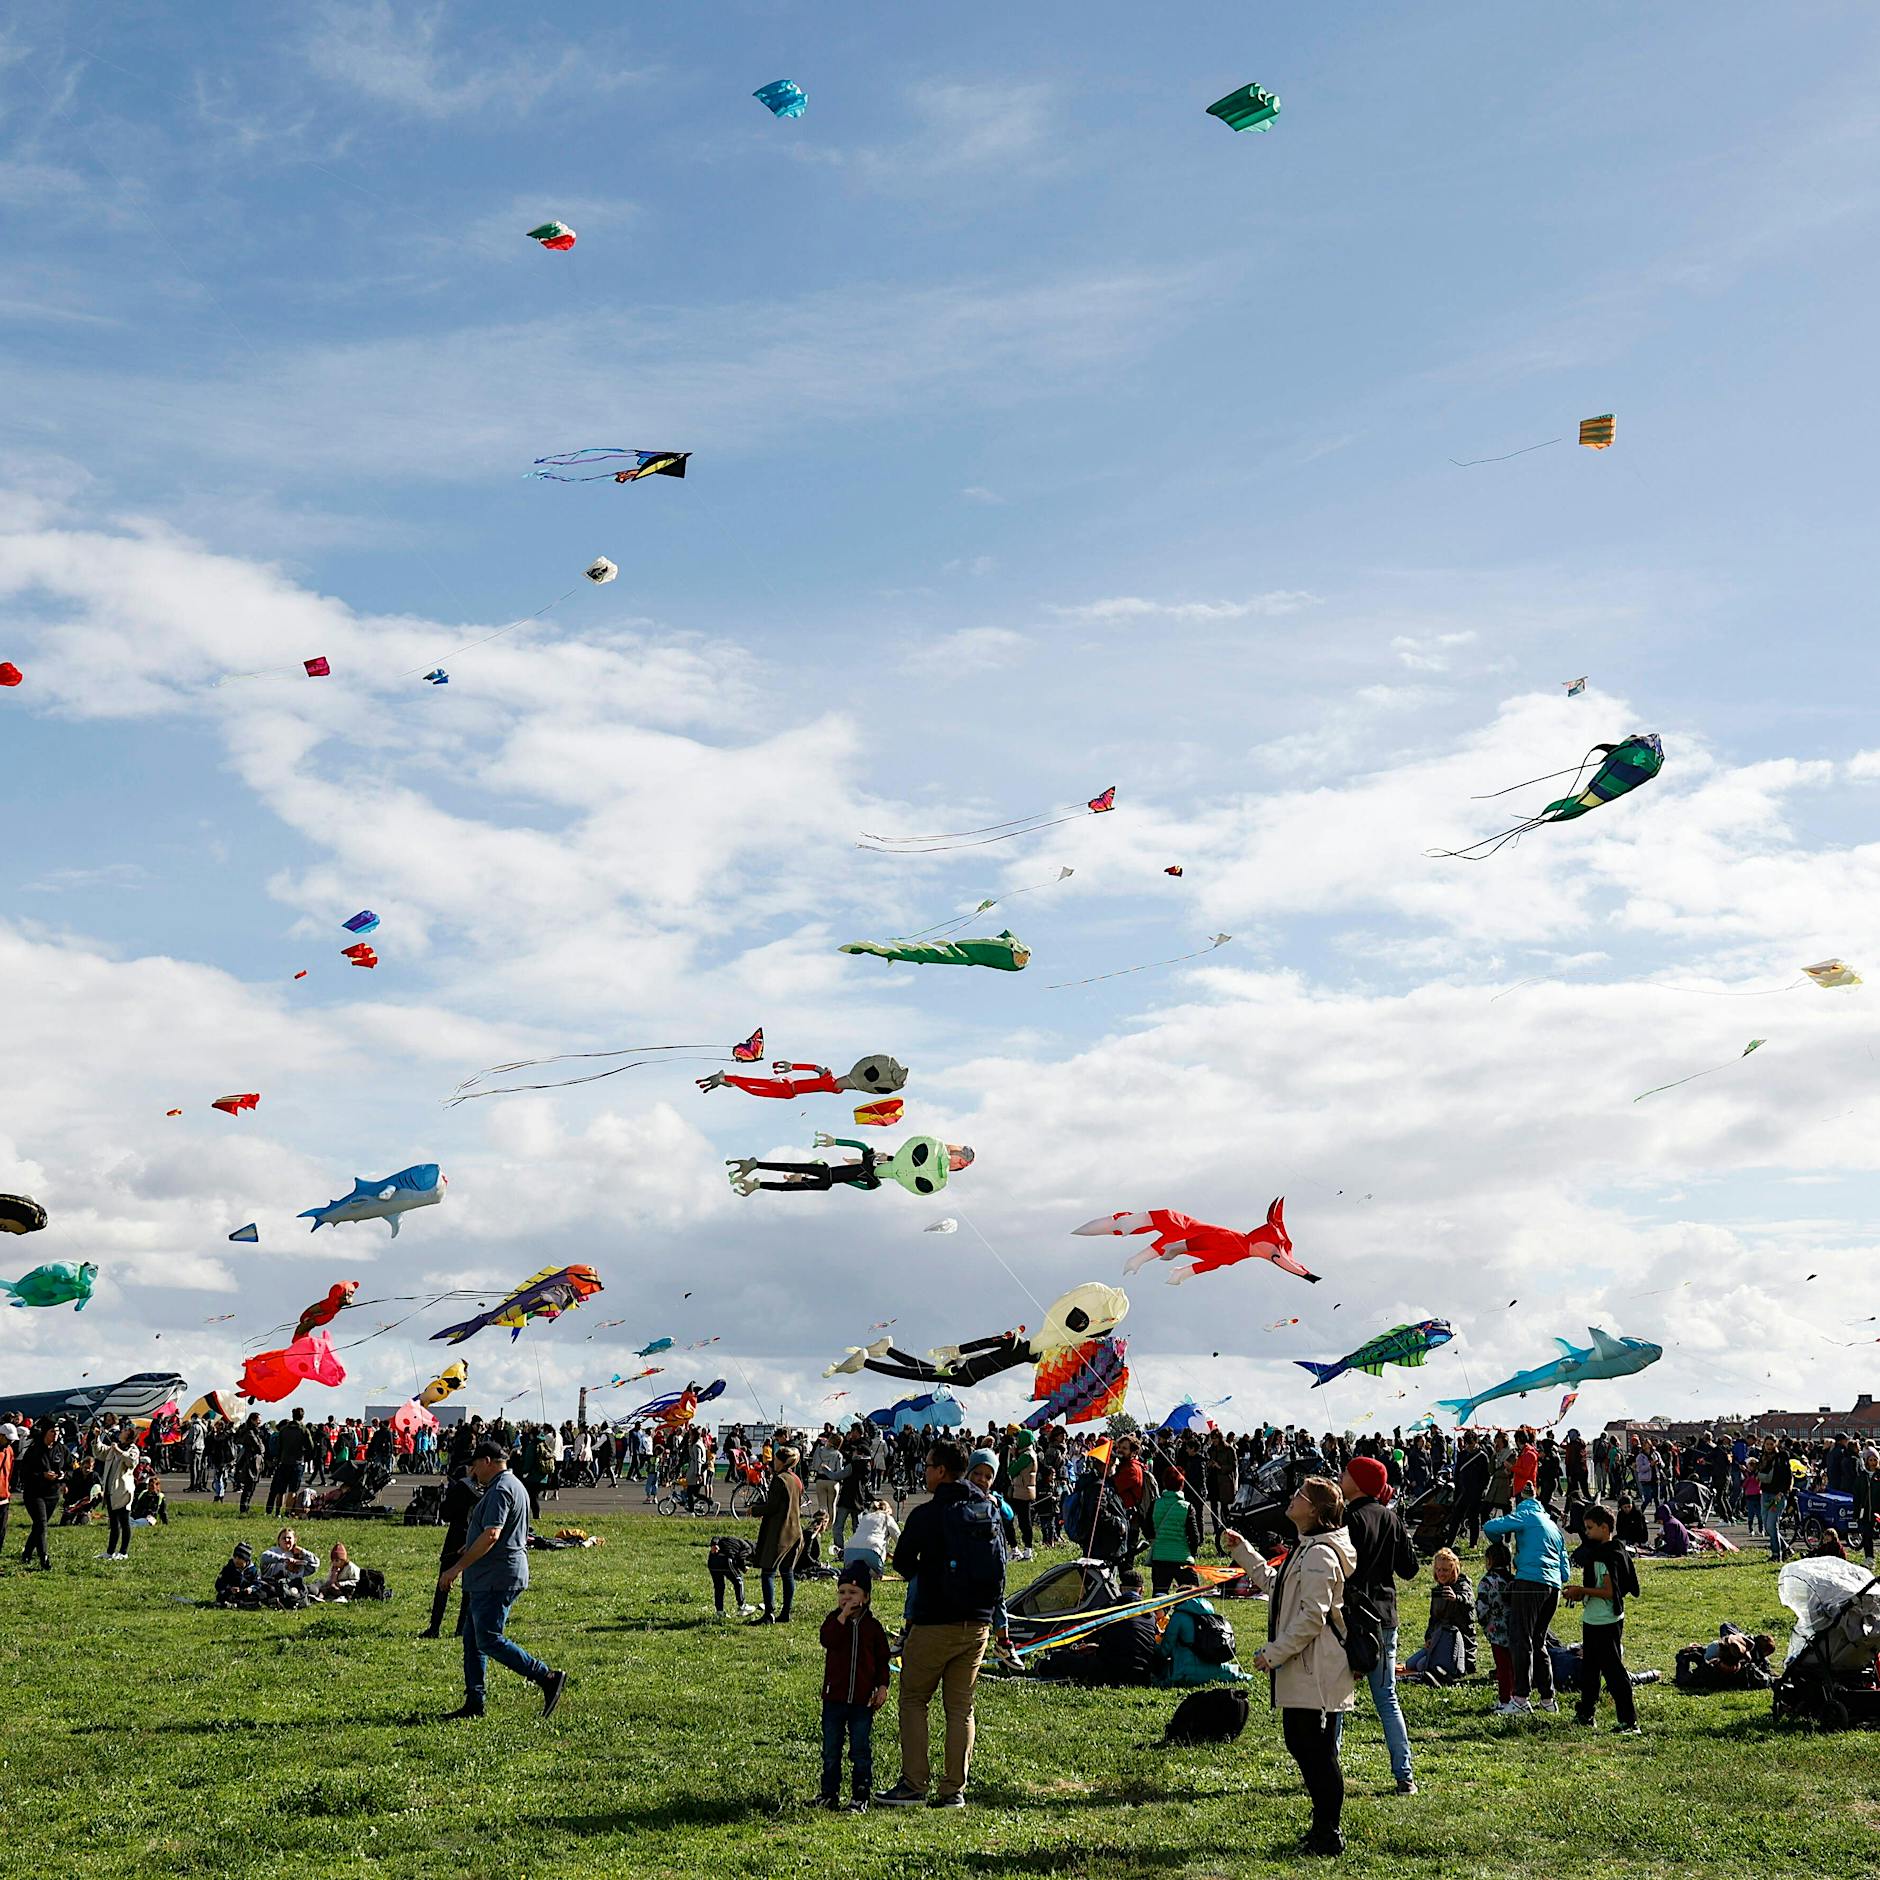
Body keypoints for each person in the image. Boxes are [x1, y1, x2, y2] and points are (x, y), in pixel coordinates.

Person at [876, 1438, 1011, 1810]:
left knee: (915, 1698)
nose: (925, 1470)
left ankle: (914, 1783)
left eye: (928, 1465)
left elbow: (902, 1562)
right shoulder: (988, 1507)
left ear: (940, 1471)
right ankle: (953, 1790)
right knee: (960, 1707)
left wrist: (930, 1575)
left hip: (935, 1620)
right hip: (979, 1623)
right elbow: (1001, 1565)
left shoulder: (927, 1513)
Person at [1230, 1479, 1359, 1860]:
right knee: (1305, 1744)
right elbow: (1279, 1587)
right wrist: (1245, 1553)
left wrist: (1274, 1653)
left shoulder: (1321, 1555)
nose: (1292, 1499)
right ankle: (1322, 1827)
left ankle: (1329, 1832)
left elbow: (1311, 1618)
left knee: (1314, 1749)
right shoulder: (1307, 1549)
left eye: (1300, 1496)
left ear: (1316, 1511)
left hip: (1315, 1666)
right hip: (1305, 1664)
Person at [437, 1439, 567, 1721]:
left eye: (475, 1466)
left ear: (487, 1461)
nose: (472, 1472)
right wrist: (467, 1546)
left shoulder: (500, 1489)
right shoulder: (514, 1485)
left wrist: (456, 1568)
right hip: (491, 1574)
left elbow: (492, 1534)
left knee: (489, 1639)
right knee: (473, 1641)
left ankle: (546, 1676)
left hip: (496, 1576)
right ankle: (474, 1702)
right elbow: (499, 1531)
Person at [1341, 1454, 1420, 1795]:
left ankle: (1328, 1769)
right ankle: (1404, 1775)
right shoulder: (1391, 1519)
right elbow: (1410, 1569)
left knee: (1338, 1696)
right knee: (1386, 1696)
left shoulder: (1348, 1519)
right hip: (1386, 1616)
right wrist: (1397, 1529)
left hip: (1352, 1617)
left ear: (1358, 1482)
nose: (1341, 1477)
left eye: (1346, 1473)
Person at [1483, 1488, 1569, 1718]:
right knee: (1539, 1640)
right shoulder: (1553, 1526)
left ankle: (1520, 1698)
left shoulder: (1525, 1515)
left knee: (1520, 1639)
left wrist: (1499, 1544)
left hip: (1530, 1582)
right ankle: (1547, 1698)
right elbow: (1565, 1568)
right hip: (1553, 1587)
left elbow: (1490, 1527)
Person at [1560, 1503, 1641, 1734]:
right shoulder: (1614, 1549)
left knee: (1614, 1672)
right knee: (1590, 1670)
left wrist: (1581, 1591)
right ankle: (1586, 1713)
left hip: (1605, 1621)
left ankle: (1629, 1721)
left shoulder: (1605, 1555)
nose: (1586, 1532)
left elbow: (1608, 1592)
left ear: (1604, 1528)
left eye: (1589, 1528)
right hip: (1595, 1619)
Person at [818, 1562, 890, 1810]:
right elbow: (828, 1640)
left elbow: (883, 1661)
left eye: (853, 1593)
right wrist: (841, 1617)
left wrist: (882, 1686)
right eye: (842, 1592)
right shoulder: (833, 1621)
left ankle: (860, 1795)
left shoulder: (873, 1628)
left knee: (859, 1749)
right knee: (831, 1749)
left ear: (866, 1597)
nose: (846, 1598)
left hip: (861, 1701)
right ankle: (828, 1793)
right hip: (834, 1697)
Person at [1031, 1569, 1160, 1686]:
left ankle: (1044, 1666)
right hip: (1143, 1673)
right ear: (1142, 1590)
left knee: (1066, 1659)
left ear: (1120, 1589)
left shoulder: (1111, 1609)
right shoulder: (1151, 1615)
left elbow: (1092, 1633)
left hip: (1113, 1670)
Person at [1154, 1562, 1248, 1686]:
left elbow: (1166, 1649)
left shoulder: (1179, 1616)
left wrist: (1152, 1648)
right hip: (1216, 1668)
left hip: (1186, 1671)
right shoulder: (1211, 1613)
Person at [421, 1465, 483, 1640]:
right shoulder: (488, 1489)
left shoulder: (461, 1487)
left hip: (456, 1537)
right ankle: (461, 1629)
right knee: (468, 1587)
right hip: (476, 1538)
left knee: (443, 1583)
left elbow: (446, 1514)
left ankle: (434, 1627)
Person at [1404, 1547, 1475, 1685]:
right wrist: (1429, 1637)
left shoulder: (1462, 1584)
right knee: (1410, 1664)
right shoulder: (1438, 1589)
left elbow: (1469, 1600)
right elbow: (1433, 1618)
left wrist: (1456, 1598)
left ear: (1453, 1570)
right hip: (1439, 1637)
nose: (1441, 1574)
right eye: (1438, 1570)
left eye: (1446, 1570)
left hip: (1457, 1641)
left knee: (1420, 1666)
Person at [750, 1447, 804, 1625]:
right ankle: (786, 1612)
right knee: (787, 1572)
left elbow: (772, 1506)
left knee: (768, 1572)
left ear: (780, 1461)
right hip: (796, 1531)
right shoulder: (796, 1479)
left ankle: (769, 1614)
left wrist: (755, 1510)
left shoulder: (779, 1480)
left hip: (780, 1532)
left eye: (774, 1459)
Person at [1145, 1465, 1203, 1595]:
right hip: (1182, 1557)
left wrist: (1155, 1541)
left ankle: (1160, 1616)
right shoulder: (1187, 1507)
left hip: (1159, 1557)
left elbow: (1147, 1528)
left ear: (1164, 1483)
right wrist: (1191, 1553)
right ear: (1182, 1484)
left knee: (1159, 1598)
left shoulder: (1155, 1504)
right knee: (1192, 1595)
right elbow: (1194, 1537)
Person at [19, 1422, 67, 1568]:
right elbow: (24, 1474)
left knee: (39, 1527)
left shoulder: (61, 1449)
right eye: (53, 1431)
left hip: (53, 1494)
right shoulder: (34, 1450)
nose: (56, 1435)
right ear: (45, 1433)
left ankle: (27, 1553)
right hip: (34, 1493)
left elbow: (72, 1467)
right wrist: (42, 1475)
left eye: (58, 1432)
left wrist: (64, 1476)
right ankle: (44, 1558)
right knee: (41, 1524)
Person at [97, 1424, 141, 1561]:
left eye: (124, 1431)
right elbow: (100, 1452)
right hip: (110, 1492)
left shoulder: (133, 1449)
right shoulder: (114, 1447)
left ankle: (123, 1552)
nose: (121, 1432)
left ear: (129, 1436)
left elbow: (131, 1462)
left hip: (123, 1492)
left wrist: (119, 1451)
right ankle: (110, 1552)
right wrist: (96, 1438)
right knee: (113, 1523)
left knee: (124, 1522)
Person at [843, 1498, 900, 1579]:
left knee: (854, 1572)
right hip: (873, 1551)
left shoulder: (865, 1517)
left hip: (849, 1551)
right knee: (875, 1576)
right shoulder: (887, 1518)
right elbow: (899, 1539)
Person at [260, 1526, 319, 1598]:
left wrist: (302, 1552)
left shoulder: (298, 1554)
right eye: (284, 1538)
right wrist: (284, 1559)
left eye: (289, 1538)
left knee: (314, 1590)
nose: (287, 1540)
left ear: (295, 1540)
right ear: (279, 1541)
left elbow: (315, 1564)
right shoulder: (274, 1551)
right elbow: (264, 1557)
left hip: (293, 1585)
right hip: (274, 1584)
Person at [708, 1533, 756, 1618]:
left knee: (719, 1586)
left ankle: (719, 1612)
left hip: (712, 1561)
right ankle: (742, 1607)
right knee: (738, 1581)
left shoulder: (732, 1539)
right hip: (726, 1560)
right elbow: (741, 1558)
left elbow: (716, 1537)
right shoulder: (748, 1548)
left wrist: (714, 1544)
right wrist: (744, 1568)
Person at [216, 1539, 263, 1606]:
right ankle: (233, 1603)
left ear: (246, 1560)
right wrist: (230, 1589)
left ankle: (238, 1604)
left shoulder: (253, 1570)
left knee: (259, 1595)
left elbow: (258, 1583)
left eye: (240, 1558)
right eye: (235, 1557)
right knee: (222, 1595)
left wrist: (251, 1589)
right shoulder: (228, 1568)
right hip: (232, 1593)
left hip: (245, 1594)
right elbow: (219, 1583)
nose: (236, 1560)